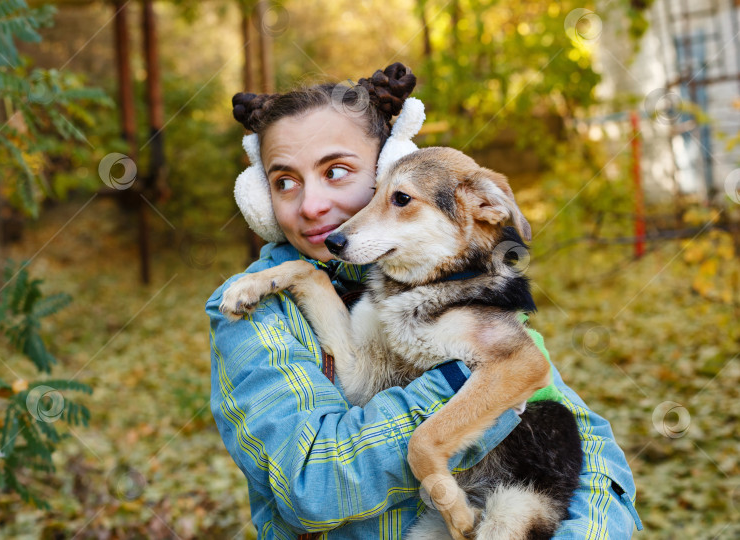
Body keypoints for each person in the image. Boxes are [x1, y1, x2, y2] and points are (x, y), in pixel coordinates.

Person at [205, 63, 642, 539]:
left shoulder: (453, 281)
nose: (311, 206)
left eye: (336, 171)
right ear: (260, 197)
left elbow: (590, 447)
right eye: (284, 181)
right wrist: (465, 381)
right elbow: (311, 486)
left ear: (386, 167)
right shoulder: (247, 313)